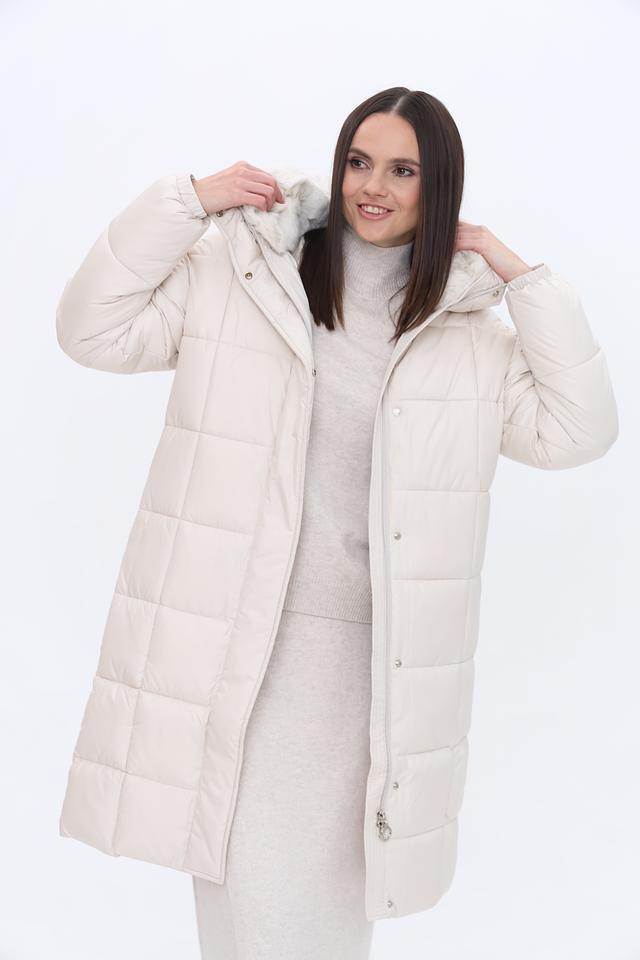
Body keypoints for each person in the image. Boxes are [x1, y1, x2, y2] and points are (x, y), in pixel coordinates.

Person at [55, 87, 618, 959]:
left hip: (360, 674)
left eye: (403, 171)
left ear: (440, 189)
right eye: (359, 161)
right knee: (237, 915)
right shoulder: (244, 276)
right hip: (232, 647)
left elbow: (578, 429)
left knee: (302, 923)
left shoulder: (467, 339)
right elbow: (90, 329)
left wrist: (521, 277)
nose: (372, 187)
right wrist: (187, 201)